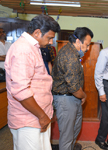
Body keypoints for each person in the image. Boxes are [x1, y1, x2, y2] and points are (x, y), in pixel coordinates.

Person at [4, 14, 60, 150]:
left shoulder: (32, 47)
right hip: (29, 119)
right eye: (49, 37)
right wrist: (42, 116)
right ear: (37, 33)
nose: (51, 42)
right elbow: (21, 91)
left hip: (36, 117)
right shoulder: (23, 50)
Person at [51, 27, 93, 150]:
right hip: (66, 99)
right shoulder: (69, 56)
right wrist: (84, 95)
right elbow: (74, 88)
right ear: (78, 41)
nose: (88, 48)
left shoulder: (72, 52)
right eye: (87, 45)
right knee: (67, 137)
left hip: (72, 99)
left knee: (74, 129)